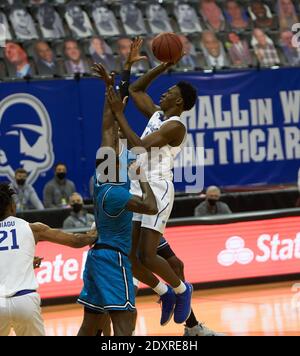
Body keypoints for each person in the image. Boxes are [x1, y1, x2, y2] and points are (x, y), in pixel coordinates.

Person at [108, 44, 197, 327]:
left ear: (180, 102)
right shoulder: (158, 114)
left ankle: (183, 291)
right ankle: (165, 293)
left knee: (147, 254)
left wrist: (117, 114)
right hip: (139, 187)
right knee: (131, 257)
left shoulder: (175, 126)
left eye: (170, 92)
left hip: (158, 189)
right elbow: (135, 90)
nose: (164, 92)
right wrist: (164, 65)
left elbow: (141, 147)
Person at [77, 62, 158, 336]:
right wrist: (142, 176)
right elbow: (150, 205)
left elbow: (106, 129)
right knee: (125, 323)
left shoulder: (103, 182)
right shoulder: (121, 194)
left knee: (90, 326)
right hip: (113, 259)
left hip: (96, 257)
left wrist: (108, 89)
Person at [0, 182, 97, 336]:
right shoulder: (33, 228)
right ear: (13, 206)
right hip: (24, 299)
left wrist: (23, 263)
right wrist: (96, 232)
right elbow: (76, 241)